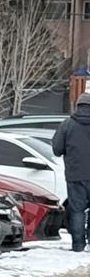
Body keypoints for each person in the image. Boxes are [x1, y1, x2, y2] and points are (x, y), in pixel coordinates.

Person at [54, 92, 90, 251]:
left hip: (75, 174)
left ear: (78, 106)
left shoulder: (67, 124)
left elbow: (57, 149)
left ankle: (78, 245)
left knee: (77, 210)